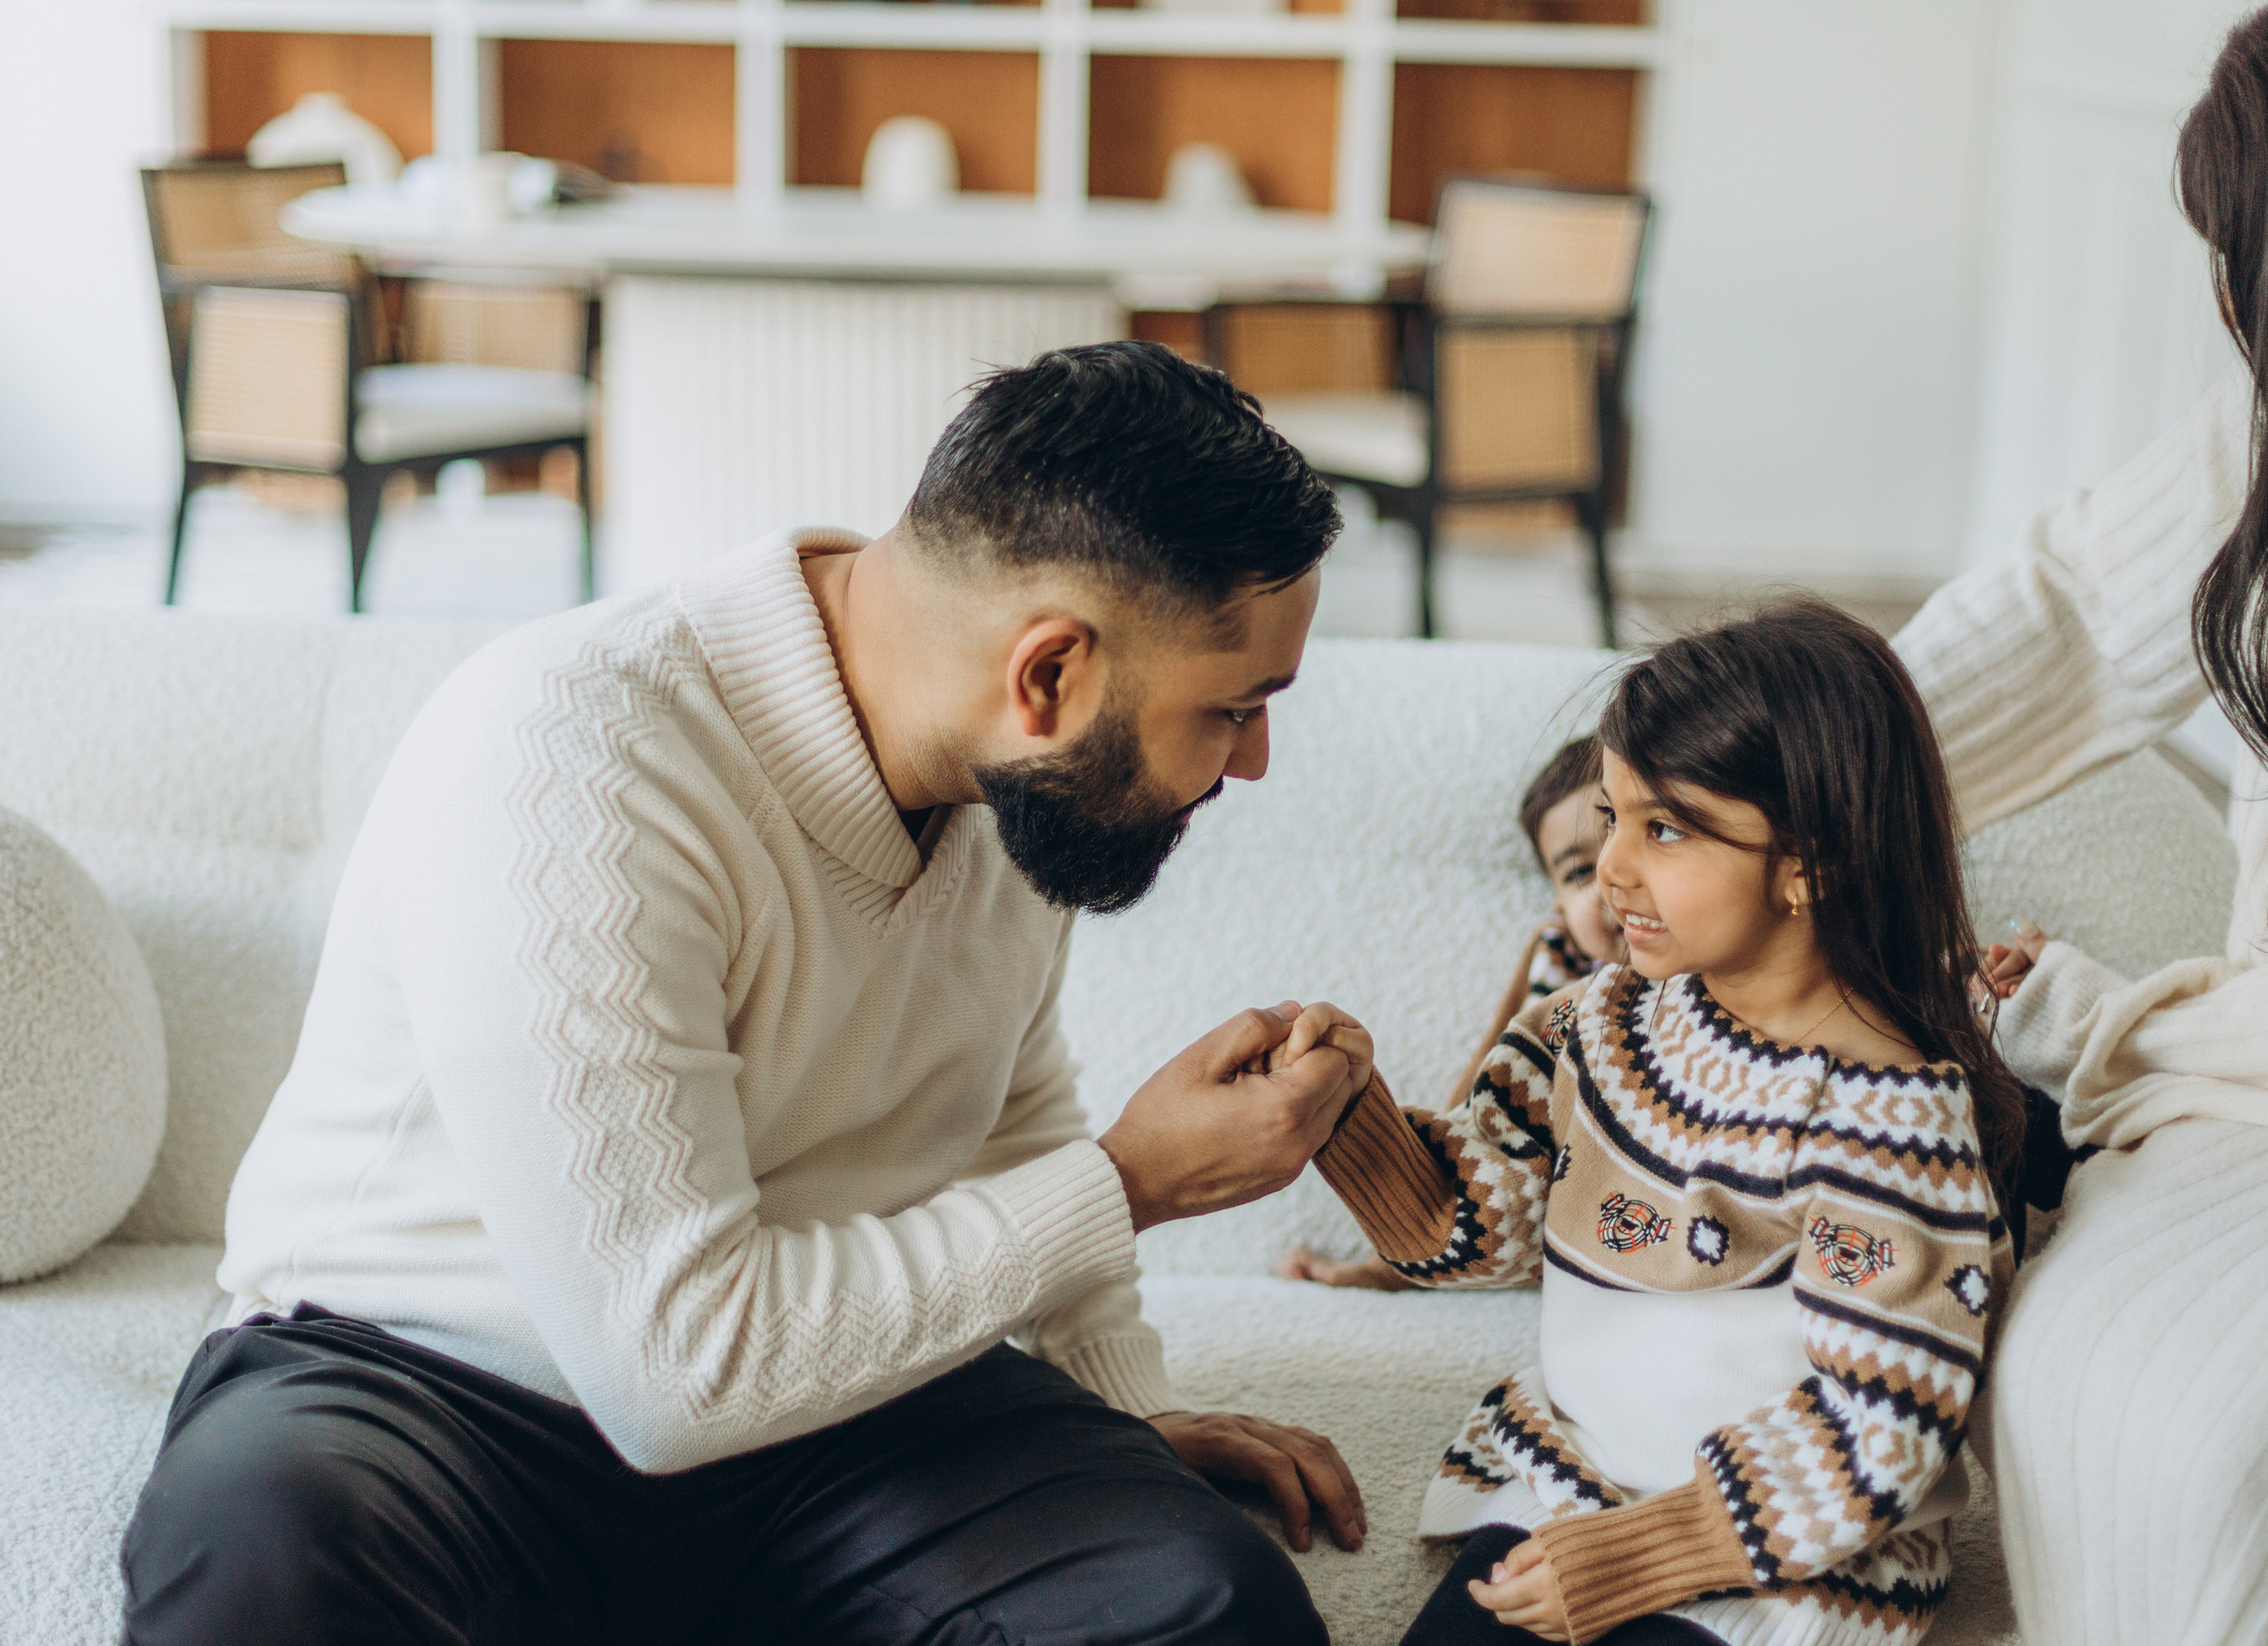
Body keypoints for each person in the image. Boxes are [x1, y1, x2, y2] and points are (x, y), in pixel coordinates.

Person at [120, 342, 1377, 1646]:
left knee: (1203, 1605)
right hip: (425, 1382)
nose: (1255, 759)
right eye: (1235, 708)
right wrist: (1133, 1181)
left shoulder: (1020, 779)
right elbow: (677, 1371)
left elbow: (1012, 1112)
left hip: (840, 1403)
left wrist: (1123, 1405)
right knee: (267, 1564)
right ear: (1047, 675)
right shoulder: (572, 754)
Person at [1887, 0, 2268, 1641]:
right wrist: (1768, 773)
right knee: (2078, 1364)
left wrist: (2110, 1023)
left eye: (2253, 253)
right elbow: (2073, 608)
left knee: (2236, 1444)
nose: (2233, 304)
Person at [1314, 602, 2023, 1646]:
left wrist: (1634, 1557)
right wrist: (1344, 1115)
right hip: (1573, 1480)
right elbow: (1486, 1223)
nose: (1611, 869)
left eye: (1665, 829)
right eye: (1611, 816)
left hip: (1774, 1560)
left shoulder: (1887, 1120)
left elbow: (1880, 1423)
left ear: (1811, 862)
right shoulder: (1596, 1022)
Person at [1281, 736, 1625, 1292]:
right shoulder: (1563, 976)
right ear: (1559, 904)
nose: (1614, 877)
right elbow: (1485, 1101)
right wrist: (1391, 1264)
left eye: (1639, 835)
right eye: (1581, 871)